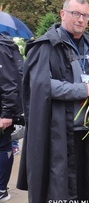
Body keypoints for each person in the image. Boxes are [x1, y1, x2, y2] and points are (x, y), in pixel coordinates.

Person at [17, 0, 89, 202]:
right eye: (75, 14)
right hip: (58, 132)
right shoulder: (46, 46)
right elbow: (42, 85)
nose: (80, 20)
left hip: (88, 131)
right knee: (60, 187)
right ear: (62, 14)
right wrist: (83, 89)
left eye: (85, 15)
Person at [0, 32, 24, 202]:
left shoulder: (2, 47)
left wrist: (7, 113)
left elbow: (10, 83)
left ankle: (1, 189)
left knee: (3, 147)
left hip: (3, 111)